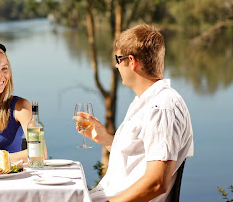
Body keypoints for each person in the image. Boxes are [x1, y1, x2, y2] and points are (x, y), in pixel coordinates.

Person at [77, 24, 194, 201]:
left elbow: (157, 183)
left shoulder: (162, 108)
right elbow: (138, 157)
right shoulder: (145, 101)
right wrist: (106, 139)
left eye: (118, 60)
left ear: (131, 61)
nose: (116, 67)